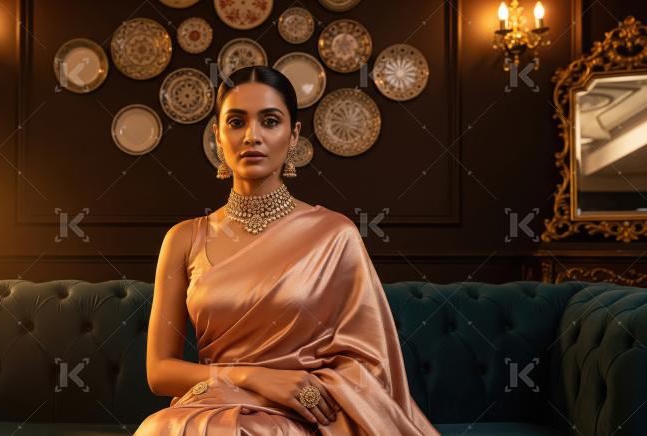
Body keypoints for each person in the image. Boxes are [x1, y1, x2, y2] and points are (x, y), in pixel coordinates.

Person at [134, 66, 440, 435]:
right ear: (217, 136)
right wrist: (254, 378)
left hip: (304, 411)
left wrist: (293, 391)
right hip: (216, 401)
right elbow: (159, 372)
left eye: (270, 121)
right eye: (236, 122)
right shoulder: (184, 238)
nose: (252, 136)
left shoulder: (334, 235)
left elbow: (368, 366)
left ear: (293, 135)